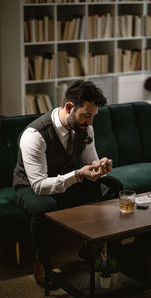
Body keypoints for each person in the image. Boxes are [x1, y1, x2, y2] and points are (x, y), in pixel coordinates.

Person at [13, 80, 122, 288]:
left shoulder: (85, 127)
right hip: (29, 186)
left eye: (93, 116)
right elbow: (39, 185)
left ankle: (92, 245)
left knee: (113, 186)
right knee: (44, 206)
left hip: (65, 180)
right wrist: (79, 175)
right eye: (87, 115)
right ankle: (42, 263)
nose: (90, 122)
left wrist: (99, 168)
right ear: (70, 108)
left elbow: (89, 163)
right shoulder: (34, 135)